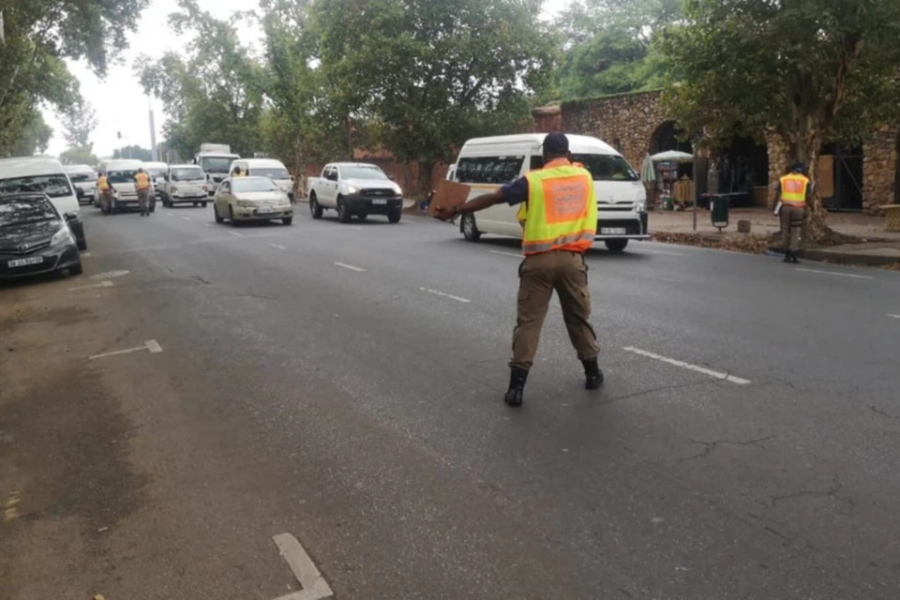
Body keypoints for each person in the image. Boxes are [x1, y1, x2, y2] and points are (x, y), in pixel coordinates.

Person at [434, 132, 602, 407]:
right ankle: (592, 373)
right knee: (578, 319)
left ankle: (516, 389)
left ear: (545, 154)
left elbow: (494, 198)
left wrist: (457, 209)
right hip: (573, 260)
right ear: (567, 153)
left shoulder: (533, 181)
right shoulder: (585, 177)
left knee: (529, 323)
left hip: (538, 262)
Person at [774, 162, 812, 264]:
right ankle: (793, 253)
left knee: (785, 229)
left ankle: (786, 254)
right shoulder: (805, 181)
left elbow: (778, 194)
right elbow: (808, 197)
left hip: (785, 208)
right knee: (795, 230)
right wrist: (811, 207)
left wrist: (774, 208)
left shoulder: (783, 179)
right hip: (799, 209)